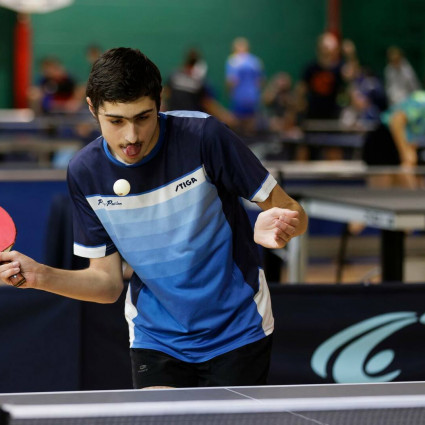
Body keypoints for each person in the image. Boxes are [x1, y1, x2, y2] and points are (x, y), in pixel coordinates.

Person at [0, 47, 307, 389]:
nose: (131, 137)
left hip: (237, 328)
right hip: (157, 336)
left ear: (159, 101)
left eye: (143, 117)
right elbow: (106, 285)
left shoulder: (203, 138)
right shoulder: (86, 172)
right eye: (116, 121)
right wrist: (39, 275)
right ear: (91, 108)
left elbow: (295, 213)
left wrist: (280, 227)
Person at [362, 90, 425, 188]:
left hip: (398, 143)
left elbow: (414, 131)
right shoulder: (422, 102)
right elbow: (397, 120)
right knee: (381, 190)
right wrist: (405, 153)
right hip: (382, 141)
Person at [163, 48, 237, 128]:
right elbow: (208, 103)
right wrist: (225, 116)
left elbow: (164, 95)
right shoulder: (199, 82)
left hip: (174, 123)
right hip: (192, 124)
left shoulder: (174, 76)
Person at [225, 37, 265, 134]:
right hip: (252, 97)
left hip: (239, 97)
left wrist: (230, 93)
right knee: (250, 126)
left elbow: (231, 81)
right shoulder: (255, 61)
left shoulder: (233, 61)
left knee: (237, 125)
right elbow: (260, 81)